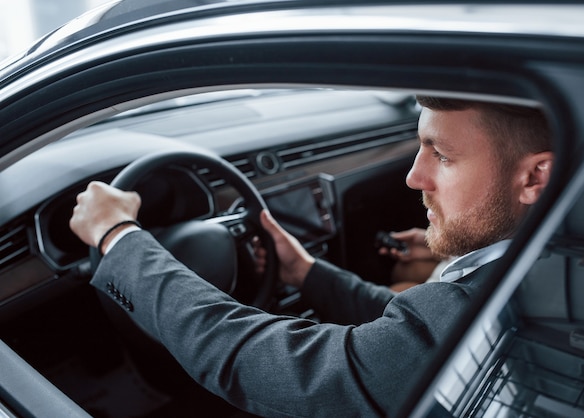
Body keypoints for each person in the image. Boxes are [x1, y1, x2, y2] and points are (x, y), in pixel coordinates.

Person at [69, 96, 553, 417]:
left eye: (441, 155)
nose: (414, 176)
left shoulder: (496, 303)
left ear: (534, 178)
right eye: (419, 147)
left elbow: (262, 365)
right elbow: (410, 337)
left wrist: (118, 238)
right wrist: (306, 272)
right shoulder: (544, 264)